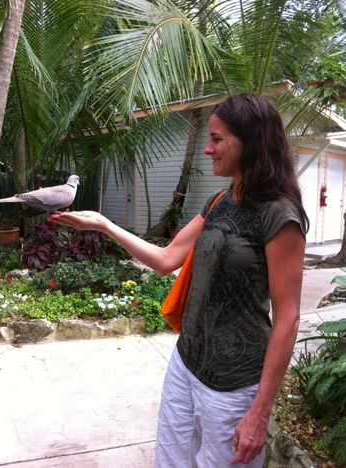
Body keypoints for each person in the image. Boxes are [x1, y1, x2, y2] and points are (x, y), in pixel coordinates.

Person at [49, 93, 308, 467]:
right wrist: (105, 225)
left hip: (233, 385)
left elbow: (289, 319)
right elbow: (167, 258)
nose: (207, 148)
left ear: (251, 141)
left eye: (217, 139)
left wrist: (259, 414)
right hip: (186, 365)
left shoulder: (279, 216)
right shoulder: (220, 201)